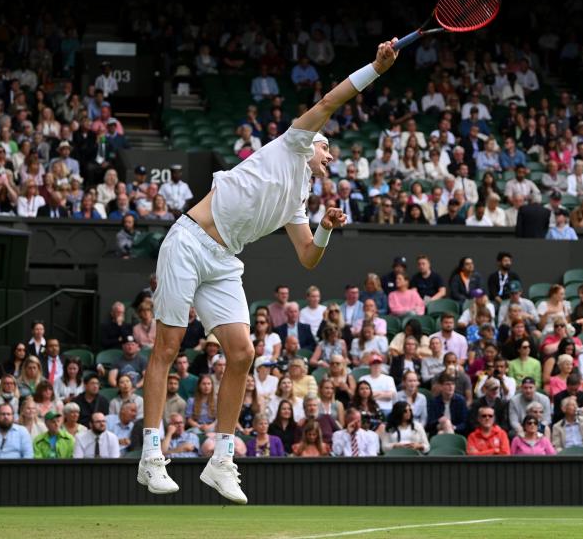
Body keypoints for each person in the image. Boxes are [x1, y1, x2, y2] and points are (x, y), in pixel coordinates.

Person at [140, 39, 398, 500]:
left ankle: (221, 460)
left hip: (222, 261)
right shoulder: (293, 143)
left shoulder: (300, 198)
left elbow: (307, 258)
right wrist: (376, 70)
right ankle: (151, 455)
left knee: (241, 354)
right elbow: (329, 101)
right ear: (311, 141)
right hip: (188, 241)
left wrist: (323, 228)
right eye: (327, 149)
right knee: (168, 346)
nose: (331, 156)